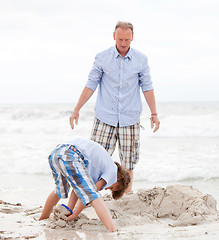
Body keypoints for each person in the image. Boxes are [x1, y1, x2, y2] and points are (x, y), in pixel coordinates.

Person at [69, 21, 160, 194]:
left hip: (130, 118)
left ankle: (126, 197)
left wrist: (154, 113)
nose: (123, 43)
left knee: (129, 163)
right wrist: (76, 109)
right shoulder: (102, 57)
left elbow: (147, 87)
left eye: (127, 39)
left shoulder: (141, 59)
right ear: (114, 37)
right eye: (120, 39)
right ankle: (90, 195)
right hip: (105, 117)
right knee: (94, 160)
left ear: (132, 37)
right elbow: (91, 84)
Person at [39, 138, 131, 232]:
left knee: (60, 190)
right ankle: (112, 230)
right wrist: (75, 214)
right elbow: (90, 194)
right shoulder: (112, 171)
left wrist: (70, 210)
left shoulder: (100, 167)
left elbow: (77, 189)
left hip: (56, 154)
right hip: (71, 155)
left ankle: (43, 219)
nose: (107, 188)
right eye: (112, 187)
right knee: (93, 195)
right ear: (119, 178)